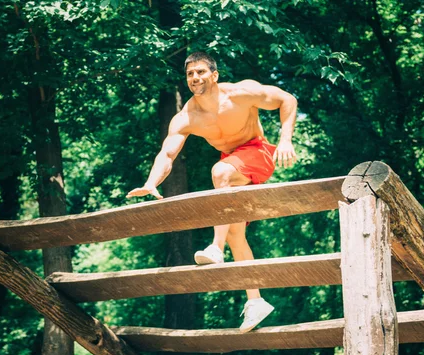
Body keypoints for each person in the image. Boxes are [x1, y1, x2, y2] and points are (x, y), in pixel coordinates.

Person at [126, 52, 298, 333]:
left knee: (219, 172)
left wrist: (285, 139)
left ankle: (215, 249)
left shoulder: (240, 93)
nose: (195, 78)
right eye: (190, 74)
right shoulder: (187, 117)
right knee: (234, 232)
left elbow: (287, 99)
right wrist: (151, 182)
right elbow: (167, 154)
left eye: (201, 72)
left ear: (214, 75)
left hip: (258, 153)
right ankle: (256, 301)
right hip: (234, 167)